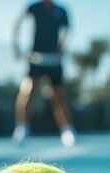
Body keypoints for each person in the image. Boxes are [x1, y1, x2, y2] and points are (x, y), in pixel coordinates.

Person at [11, 0, 77, 147]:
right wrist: (15, 45)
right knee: (28, 91)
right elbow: (17, 22)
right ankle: (22, 128)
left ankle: (67, 131)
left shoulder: (61, 10)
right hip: (35, 58)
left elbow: (67, 31)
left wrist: (61, 47)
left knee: (58, 96)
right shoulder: (33, 7)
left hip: (54, 60)